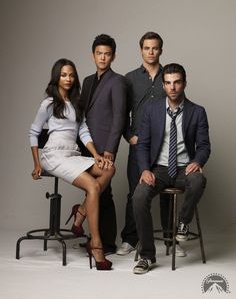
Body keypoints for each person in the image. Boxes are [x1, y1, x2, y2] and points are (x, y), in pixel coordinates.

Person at [29, 58, 115, 270]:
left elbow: (83, 131)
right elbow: (33, 133)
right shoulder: (48, 103)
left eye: (71, 75)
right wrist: (37, 163)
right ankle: (96, 246)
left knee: (109, 168)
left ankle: (80, 213)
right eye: (63, 75)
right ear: (56, 77)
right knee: (93, 186)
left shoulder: (77, 103)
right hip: (53, 156)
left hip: (73, 154)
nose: (68, 79)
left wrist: (95, 154)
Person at [132, 63, 211, 274]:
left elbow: (204, 146)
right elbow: (143, 145)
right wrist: (145, 170)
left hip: (185, 168)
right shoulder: (151, 110)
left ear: (184, 83)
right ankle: (147, 256)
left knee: (198, 180)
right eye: (168, 83)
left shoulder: (197, 112)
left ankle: (183, 223)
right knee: (139, 196)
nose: (173, 87)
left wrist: (198, 162)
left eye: (177, 82)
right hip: (159, 169)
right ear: (163, 85)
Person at [117, 32, 185, 257]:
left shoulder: (169, 76)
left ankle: (169, 240)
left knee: (167, 193)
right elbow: (121, 112)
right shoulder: (130, 78)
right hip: (141, 145)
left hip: (166, 146)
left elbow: (178, 107)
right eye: (147, 48)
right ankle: (130, 239)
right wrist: (129, 135)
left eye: (155, 48)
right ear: (141, 50)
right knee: (135, 192)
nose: (151, 52)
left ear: (161, 50)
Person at [78, 34, 127, 254]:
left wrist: (110, 150)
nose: (103, 57)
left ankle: (106, 243)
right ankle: (93, 236)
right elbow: (81, 114)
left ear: (113, 56)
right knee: (94, 190)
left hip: (104, 146)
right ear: (93, 55)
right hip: (85, 144)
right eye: (99, 53)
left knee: (104, 194)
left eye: (107, 54)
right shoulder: (88, 81)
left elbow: (119, 117)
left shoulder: (117, 81)